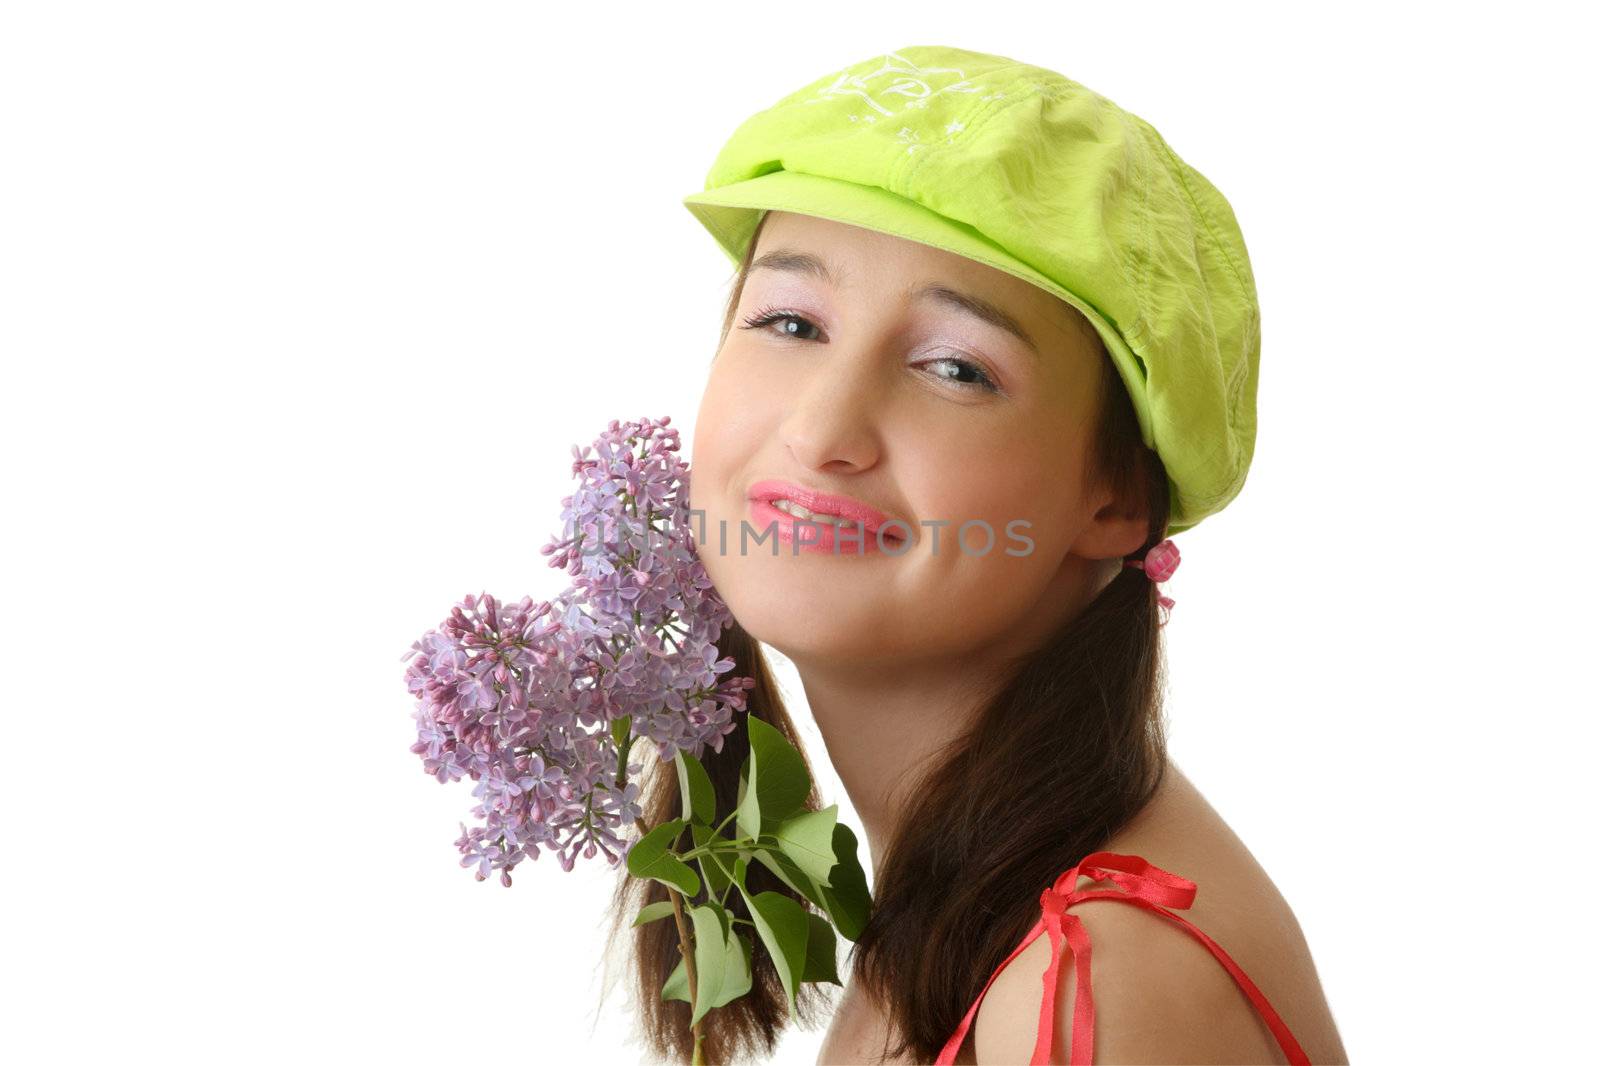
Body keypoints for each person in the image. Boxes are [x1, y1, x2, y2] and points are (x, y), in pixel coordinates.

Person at [611, 46, 1348, 1064]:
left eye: (955, 367)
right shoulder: (961, 915)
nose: (823, 430)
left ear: (1119, 495)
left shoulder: (1097, 976)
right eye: (789, 320)